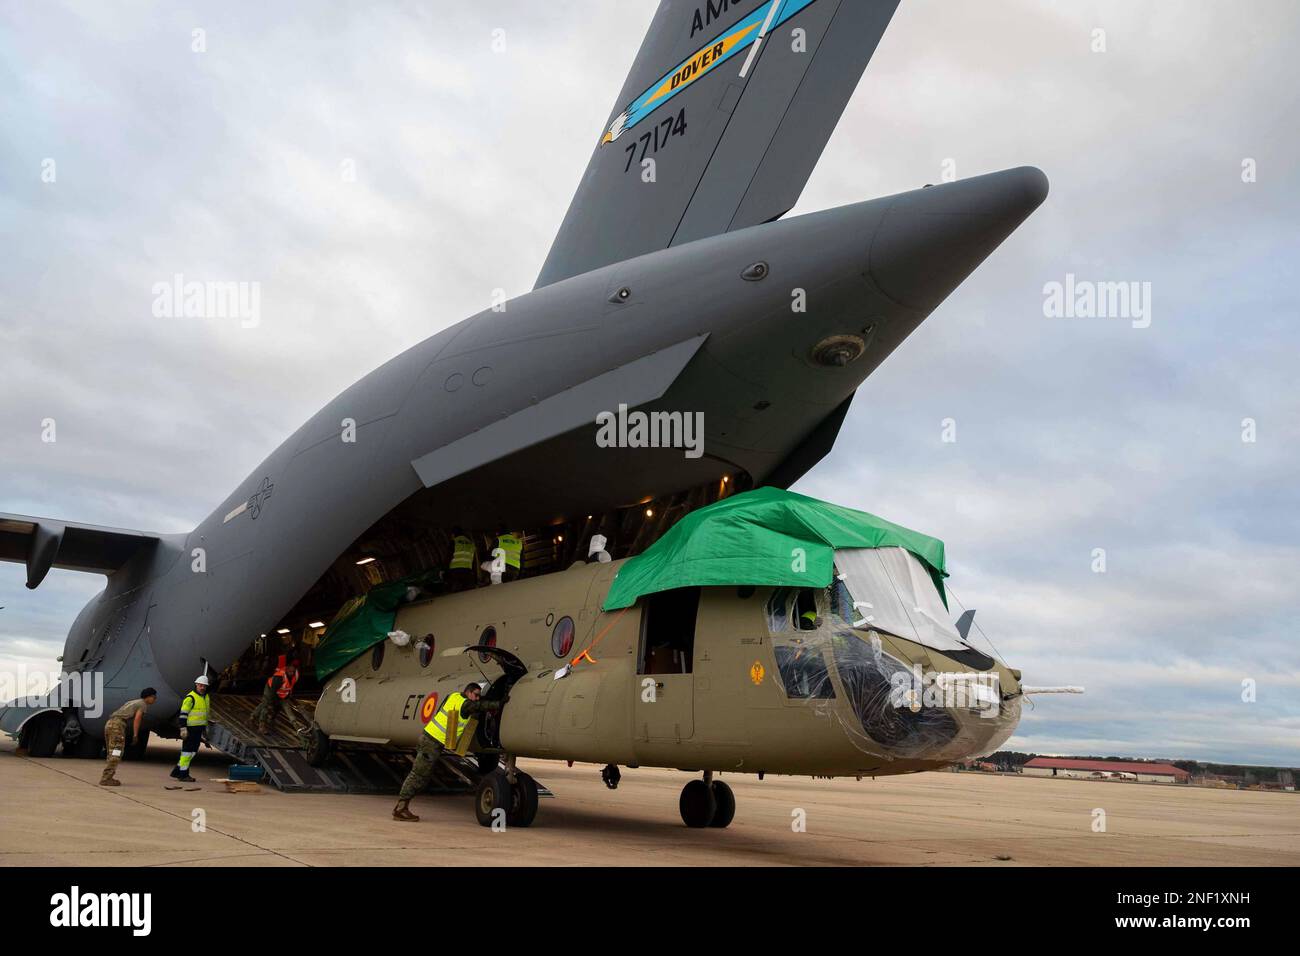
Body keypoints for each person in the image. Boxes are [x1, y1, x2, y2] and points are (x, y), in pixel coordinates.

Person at [392, 682, 501, 822]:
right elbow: (477, 707)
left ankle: (402, 807)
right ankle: (400, 809)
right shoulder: (466, 704)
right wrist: (498, 704)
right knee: (418, 775)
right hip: (432, 743)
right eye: (476, 695)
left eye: (479, 696)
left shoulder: (454, 696)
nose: (477, 698)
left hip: (430, 739)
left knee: (421, 775)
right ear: (468, 693)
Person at [101, 688, 157, 786]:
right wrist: (135, 734)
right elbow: (137, 719)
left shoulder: (133, 702)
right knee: (117, 752)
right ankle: (106, 778)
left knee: (111, 752)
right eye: (154, 697)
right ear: (149, 697)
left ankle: (108, 775)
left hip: (110, 723)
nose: (154, 700)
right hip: (117, 726)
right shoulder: (142, 704)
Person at [252, 655, 306, 735]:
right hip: (271, 689)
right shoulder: (279, 677)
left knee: (279, 707)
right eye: (290, 672)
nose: (291, 673)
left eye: (293, 672)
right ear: (286, 670)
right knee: (266, 704)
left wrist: (288, 696)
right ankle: (260, 723)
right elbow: (273, 692)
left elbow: (291, 686)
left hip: (282, 694)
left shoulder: (295, 675)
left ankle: (269, 718)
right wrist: (272, 702)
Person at [171, 674, 210, 782]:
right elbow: (183, 714)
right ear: (196, 685)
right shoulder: (190, 697)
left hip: (199, 729)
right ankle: (183, 774)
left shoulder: (206, 697)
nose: (202, 687)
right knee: (187, 752)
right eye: (200, 685)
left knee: (193, 751)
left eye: (204, 686)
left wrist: (205, 727)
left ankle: (177, 771)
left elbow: (205, 713)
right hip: (190, 729)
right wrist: (183, 729)